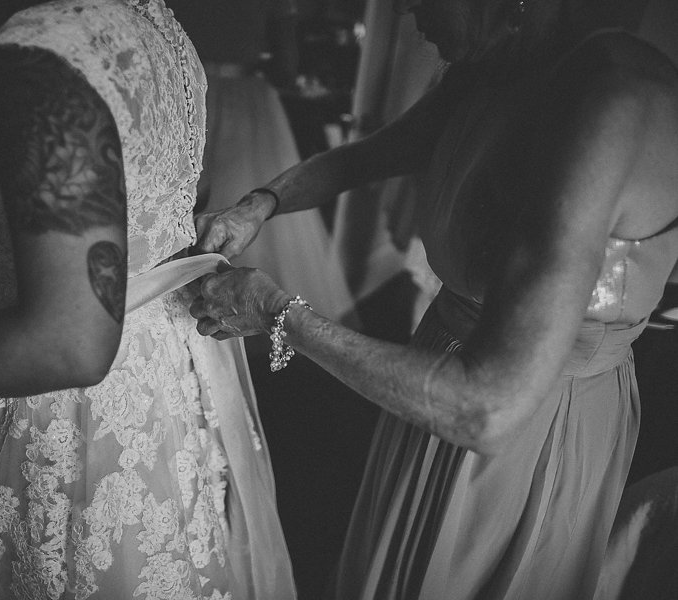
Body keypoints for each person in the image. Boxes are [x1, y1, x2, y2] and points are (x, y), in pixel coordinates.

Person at [189, 0, 678, 597]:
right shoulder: (495, 65)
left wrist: (276, 311)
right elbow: (369, 154)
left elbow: (486, 409)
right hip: (429, 380)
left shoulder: (610, 106)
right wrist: (259, 203)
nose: (413, 21)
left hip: (530, 421)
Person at [0, 0, 296, 598]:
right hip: (163, 370)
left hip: (67, 401)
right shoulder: (149, 24)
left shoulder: (47, 56)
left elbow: (70, 345)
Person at [166, 0, 357, 329]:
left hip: (186, 93)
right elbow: (287, 66)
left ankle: (181, 296)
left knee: (185, 198)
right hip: (244, 96)